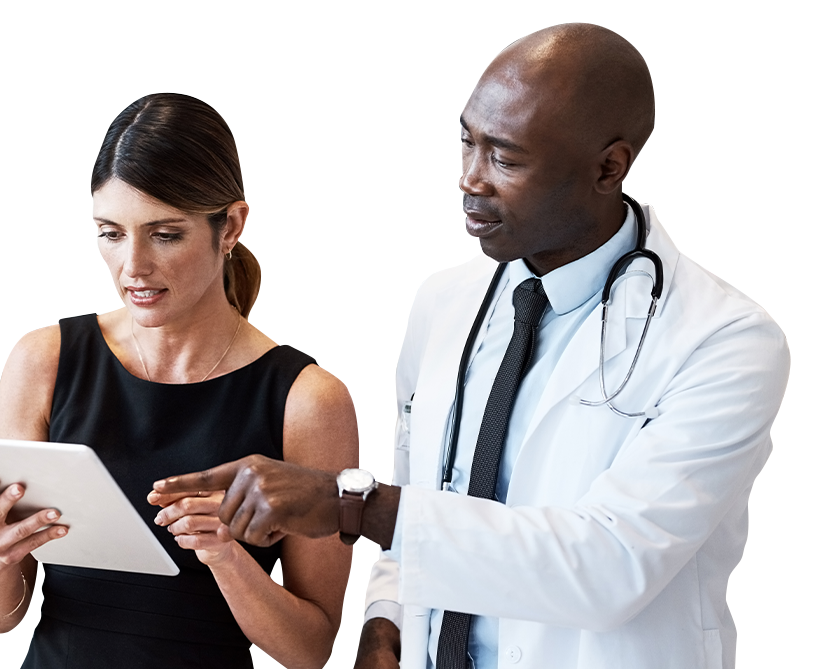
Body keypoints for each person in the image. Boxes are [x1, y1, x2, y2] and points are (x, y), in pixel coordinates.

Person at [150, 23, 791, 669]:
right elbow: (429, 495)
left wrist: (349, 502)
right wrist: (386, 620)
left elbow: (609, 566)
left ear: (609, 166)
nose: (470, 179)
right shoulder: (447, 299)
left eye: (505, 158)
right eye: (467, 143)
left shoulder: (725, 340)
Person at [0, 92, 360, 669]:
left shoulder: (307, 401)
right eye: (110, 232)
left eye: (165, 234)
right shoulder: (42, 363)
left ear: (231, 226)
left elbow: (309, 651)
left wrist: (225, 555)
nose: (133, 266)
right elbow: (0, 619)